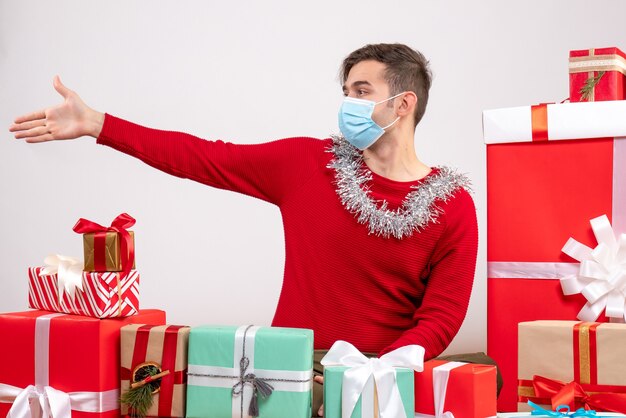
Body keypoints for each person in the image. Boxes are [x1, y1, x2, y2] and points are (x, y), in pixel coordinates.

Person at [10, 43, 498, 416]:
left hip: (385, 378)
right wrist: (98, 123)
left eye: (362, 92)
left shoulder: (452, 204)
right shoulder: (307, 164)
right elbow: (204, 157)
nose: (348, 103)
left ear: (403, 104)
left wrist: (374, 374)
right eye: (345, 92)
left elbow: (443, 312)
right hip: (290, 372)